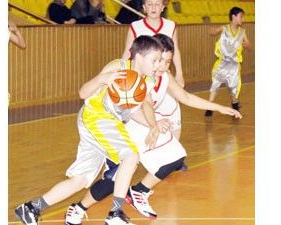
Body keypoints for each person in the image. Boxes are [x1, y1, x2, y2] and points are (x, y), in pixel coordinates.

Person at [64, 34, 242, 225]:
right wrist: (154, 125)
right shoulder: (137, 74)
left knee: (175, 156)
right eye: (159, 60)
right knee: (113, 179)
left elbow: (186, 97)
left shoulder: (164, 76)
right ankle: (80, 208)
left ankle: (139, 191)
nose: (163, 66)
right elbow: (144, 105)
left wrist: (220, 107)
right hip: (123, 127)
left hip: (144, 126)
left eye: (167, 62)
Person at [14, 35, 164, 225]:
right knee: (131, 157)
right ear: (139, 57)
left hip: (108, 123)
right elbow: (83, 93)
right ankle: (115, 215)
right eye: (155, 59)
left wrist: (154, 126)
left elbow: (136, 111)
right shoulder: (118, 67)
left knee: (80, 179)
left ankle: (31, 208)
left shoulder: (147, 81)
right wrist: (103, 78)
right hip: (96, 117)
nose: (158, 64)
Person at [122, 0, 187, 170]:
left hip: (164, 77)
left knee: (173, 115)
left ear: (163, 7)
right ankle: (145, 152)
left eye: (157, 4)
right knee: (147, 112)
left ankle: (172, 154)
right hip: (145, 80)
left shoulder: (171, 25)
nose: (153, 8)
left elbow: (176, 50)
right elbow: (127, 53)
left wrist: (179, 73)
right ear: (143, 7)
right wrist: (124, 75)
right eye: (149, 4)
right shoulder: (135, 26)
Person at [205, 6, 252, 117]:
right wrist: (212, 31)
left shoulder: (242, 32)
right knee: (215, 84)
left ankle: (235, 105)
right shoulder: (224, 28)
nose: (243, 19)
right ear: (233, 16)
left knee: (233, 88)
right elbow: (213, 32)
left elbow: (250, 48)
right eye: (241, 17)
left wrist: (248, 46)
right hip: (222, 63)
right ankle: (209, 107)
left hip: (234, 66)